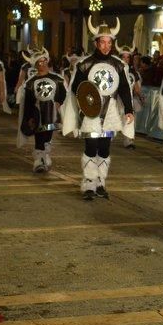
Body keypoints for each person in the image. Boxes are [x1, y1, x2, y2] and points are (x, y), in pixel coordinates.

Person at [61, 18, 135, 200]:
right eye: (103, 42)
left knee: (104, 148)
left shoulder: (118, 65)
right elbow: (77, 89)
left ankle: (101, 182)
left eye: (109, 43)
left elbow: (125, 88)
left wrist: (128, 109)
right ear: (96, 43)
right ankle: (88, 184)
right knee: (91, 147)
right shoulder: (84, 64)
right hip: (91, 113)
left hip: (109, 112)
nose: (106, 46)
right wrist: (83, 105)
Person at [20, 48, 66, 173]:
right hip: (37, 113)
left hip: (52, 113)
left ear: (47, 61)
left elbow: (63, 95)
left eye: (44, 61)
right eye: (39, 62)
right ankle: (39, 161)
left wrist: (59, 103)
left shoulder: (57, 79)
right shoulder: (30, 82)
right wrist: (29, 117)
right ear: (35, 65)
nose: (42, 64)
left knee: (48, 135)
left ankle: (45, 156)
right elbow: (28, 102)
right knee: (39, 135)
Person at [117, 44, 143, 150]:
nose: (126, 59)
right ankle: (107, 138)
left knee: (129, 118)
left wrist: (139, 95)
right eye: (123, 57)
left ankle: (128, 140)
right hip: (116, 99)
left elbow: (137, 88)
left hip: (129, 99)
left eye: (128, 57)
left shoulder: (133, 72)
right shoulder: (115, 69)